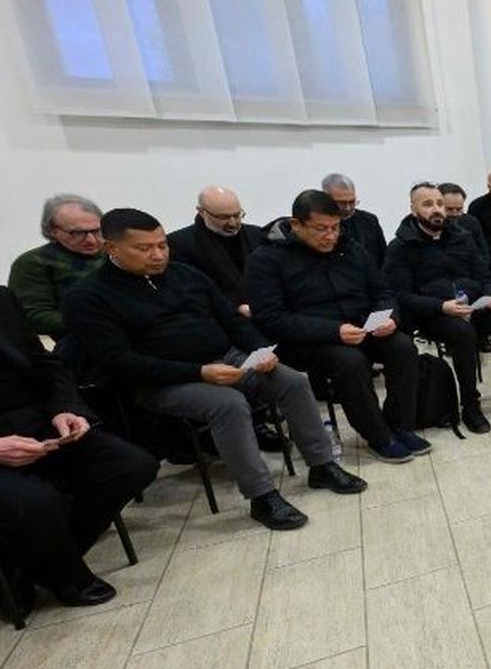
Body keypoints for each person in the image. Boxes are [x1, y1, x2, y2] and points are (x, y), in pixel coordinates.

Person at [64, 208, 366, 531]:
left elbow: (233, 320)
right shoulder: (88, 297)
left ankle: (321, 465)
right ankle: (261, 495)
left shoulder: (186, 275)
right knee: (228, 404)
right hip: (163, 381)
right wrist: (199, 372)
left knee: (291, 381)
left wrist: (259, 350)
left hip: (226, 358)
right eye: (144, 248)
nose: (157, 255)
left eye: (162, 245)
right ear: (111, 249)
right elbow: (120, 361)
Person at [0, 279, 157, 619]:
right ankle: (66, 575)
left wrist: (65, 408)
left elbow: (46, 364)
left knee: (132, 466)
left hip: (34, 419)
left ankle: (20, 563)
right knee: (35, 503)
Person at [248, 190, 429, 463]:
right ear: (296, 225)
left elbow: (382, 290)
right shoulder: (267, 259)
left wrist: (389, 317)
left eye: (335, 227)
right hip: (308, 341)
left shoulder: (351, 248)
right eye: (321, 229)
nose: (330, 236)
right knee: (350, 362)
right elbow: (271, 317)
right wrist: (334, 331)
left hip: (360, 328)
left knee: (402, 346)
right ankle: (378, 436)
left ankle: (399, 425)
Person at [385, 183, 491, 431]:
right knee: (462, 332)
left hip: (472, 306)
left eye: (439, 204)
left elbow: (484, 275)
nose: (436, 209)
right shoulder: (401, 247)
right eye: (427, 204)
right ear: (413, 209)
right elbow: (400, 296)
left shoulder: (461, 237)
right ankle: (470, 405)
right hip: (434, 314)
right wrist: (441, 306)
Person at [9, 194, 106, 341]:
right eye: (77, 233)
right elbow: (34, 315)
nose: (90, 240)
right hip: (79, 345)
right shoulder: (35, 262)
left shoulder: (119, 254)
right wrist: (102, 322)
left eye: (97, 231)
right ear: (53, 230)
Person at [168, 186, 261, 317]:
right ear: (201, 212)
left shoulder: (257, 235)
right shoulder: (179, 244)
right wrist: (236, 307)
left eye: (237, 215)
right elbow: (190, 291)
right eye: (223, 217)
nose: (233, 223)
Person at [322, 172, 388, 268]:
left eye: (352, 202)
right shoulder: (317, 225)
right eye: (342, 203)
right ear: (325, 199)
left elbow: (383, 259)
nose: (348, 208)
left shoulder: (369, 221)